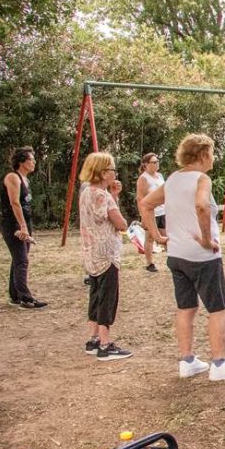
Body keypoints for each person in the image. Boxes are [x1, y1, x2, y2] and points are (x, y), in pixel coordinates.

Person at [140, 134, 225, 381]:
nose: (213, 158)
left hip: (177, 255)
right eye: (211, 153)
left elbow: (146, 203)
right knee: (217, 308)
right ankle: (219, 363)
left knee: (186, 307)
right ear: (203, 155)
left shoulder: (172, 179)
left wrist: (158, 236)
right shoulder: (202, 179)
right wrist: (204, 238)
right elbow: (202, 206)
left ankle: (187, 359)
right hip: (202, 256)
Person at [79, 152, 132, 361]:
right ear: (102, 172)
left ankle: (93, 338)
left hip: (90, 251)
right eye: (112, 169)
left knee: (95, 294)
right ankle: (105, 343)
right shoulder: (103, 195)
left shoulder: (86, 192)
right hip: (106, 253)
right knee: (108, 297)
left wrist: (114, 195)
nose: (114, 173)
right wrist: (114, 199)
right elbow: (120, 223)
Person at [0, 147, 46, 309]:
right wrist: (22, 226)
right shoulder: (13, 177)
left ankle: (15, 296)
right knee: (22, 260)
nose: (34, 162)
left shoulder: (25, 179)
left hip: (24, 222)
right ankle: (26, 299)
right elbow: (15, 203)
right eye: (31, 159)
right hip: (14, 224)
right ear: (21, 161)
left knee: (19, 258)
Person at [136, 153, 165, 272]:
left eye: (157, 161)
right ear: (146, 165)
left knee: (165, 235)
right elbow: (140, 198)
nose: (157, 164)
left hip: (163, 211)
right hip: (150, 212)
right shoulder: (143, 178)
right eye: (154, 162)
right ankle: (149, 263)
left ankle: (173, 259)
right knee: (149, 238)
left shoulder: (160, 176)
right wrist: (143, 215)